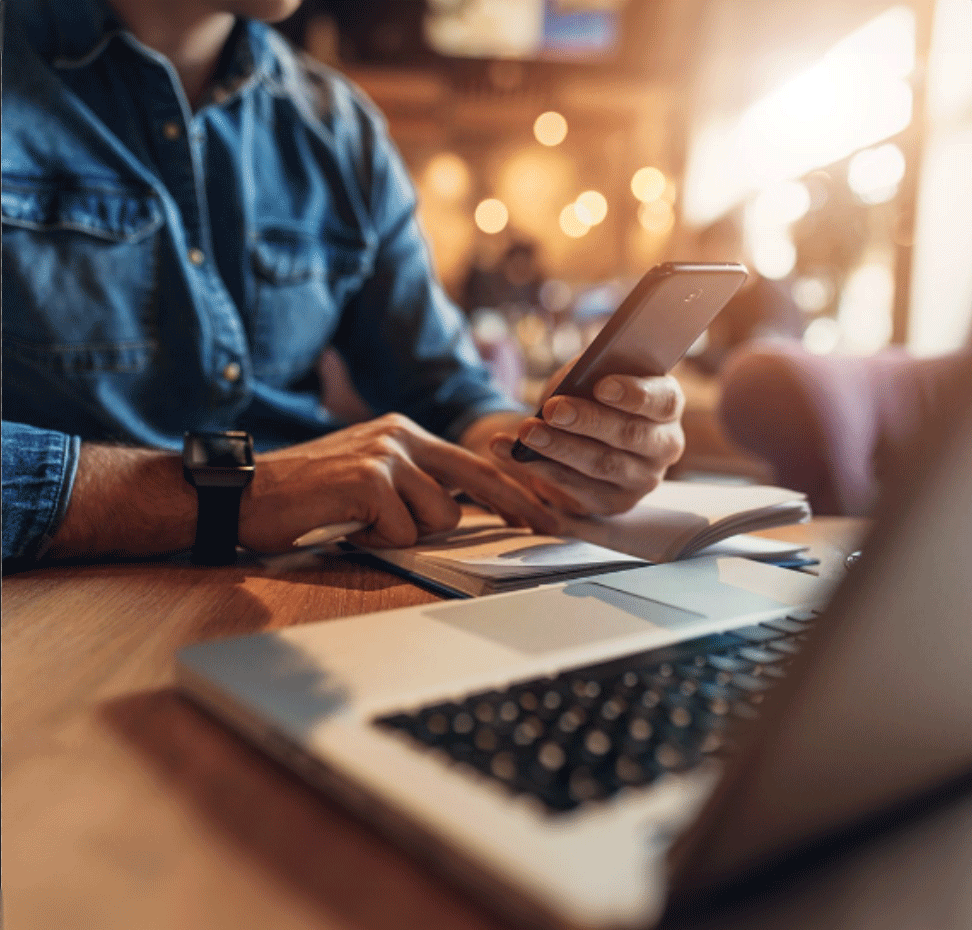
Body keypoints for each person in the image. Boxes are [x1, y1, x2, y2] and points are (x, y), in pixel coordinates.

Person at [1, 0, 686, 567]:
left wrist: (554, 452)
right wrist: (228, 492)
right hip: (57, 613)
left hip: (310, 581)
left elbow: (445, 392)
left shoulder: (340, 127)